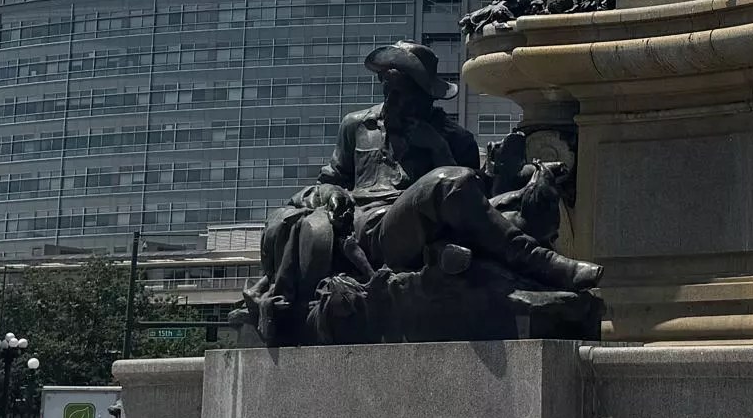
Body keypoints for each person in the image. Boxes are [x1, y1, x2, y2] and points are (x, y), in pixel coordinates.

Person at [245, 41, 598, 343]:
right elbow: (329, 180)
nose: (392, 100)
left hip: (421, 229)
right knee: (449, 181)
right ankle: (542, 263)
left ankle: (483, 264)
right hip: (365, 231)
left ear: (425, 96)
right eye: (387, 89)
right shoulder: (357, 126)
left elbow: (474, 201)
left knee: (467, 186)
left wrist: (437, 149)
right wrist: (331, 195)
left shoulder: (455, 138)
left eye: (402, 93)